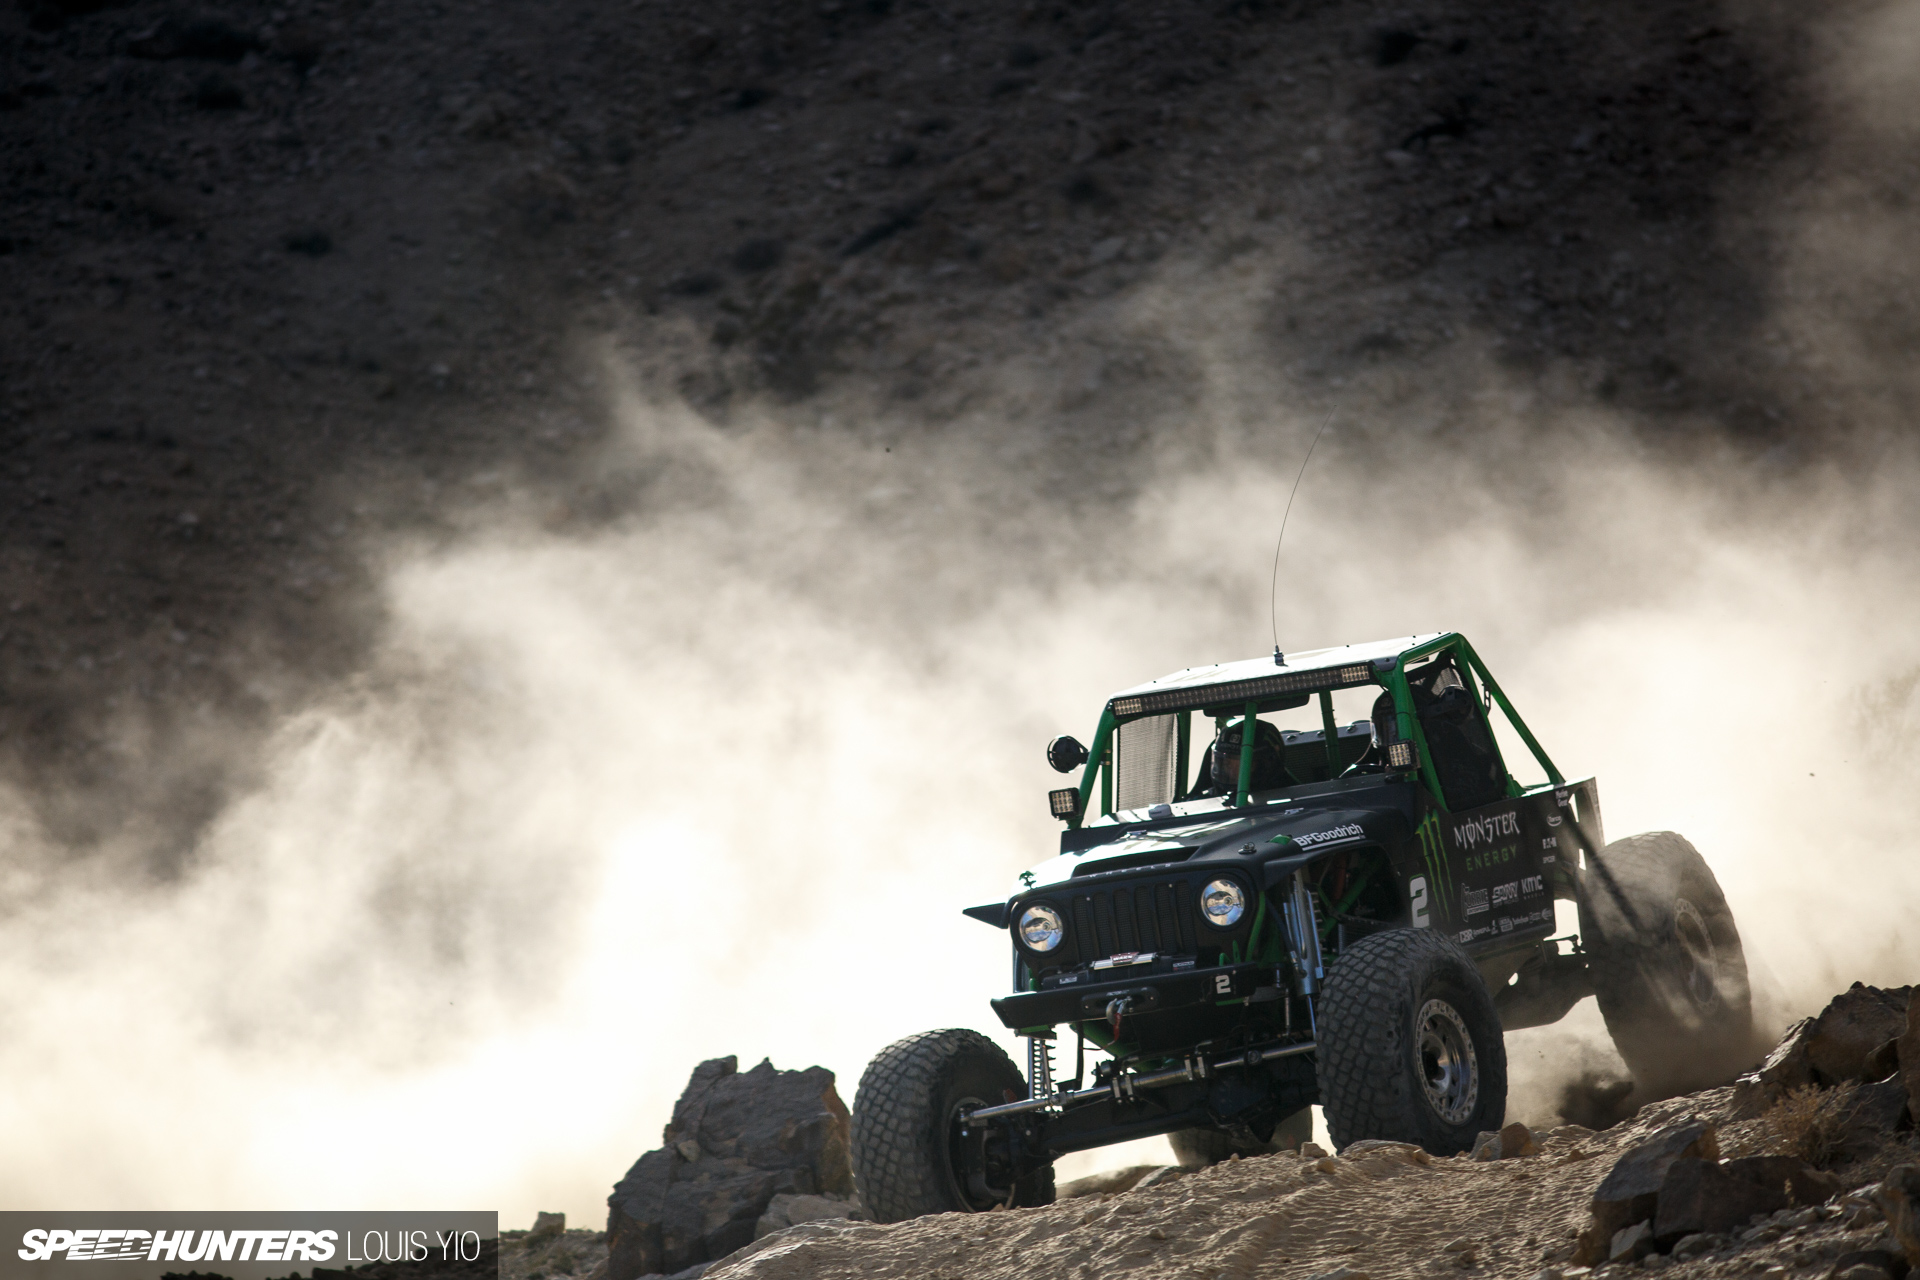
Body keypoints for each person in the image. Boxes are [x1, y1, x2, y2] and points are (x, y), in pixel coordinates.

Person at [1192, 716, 1291, 797]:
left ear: (1267, 764)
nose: (1232, 772)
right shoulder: (1201, 803)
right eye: (1227, 765)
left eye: (1241, 766)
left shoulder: (1299, 801)